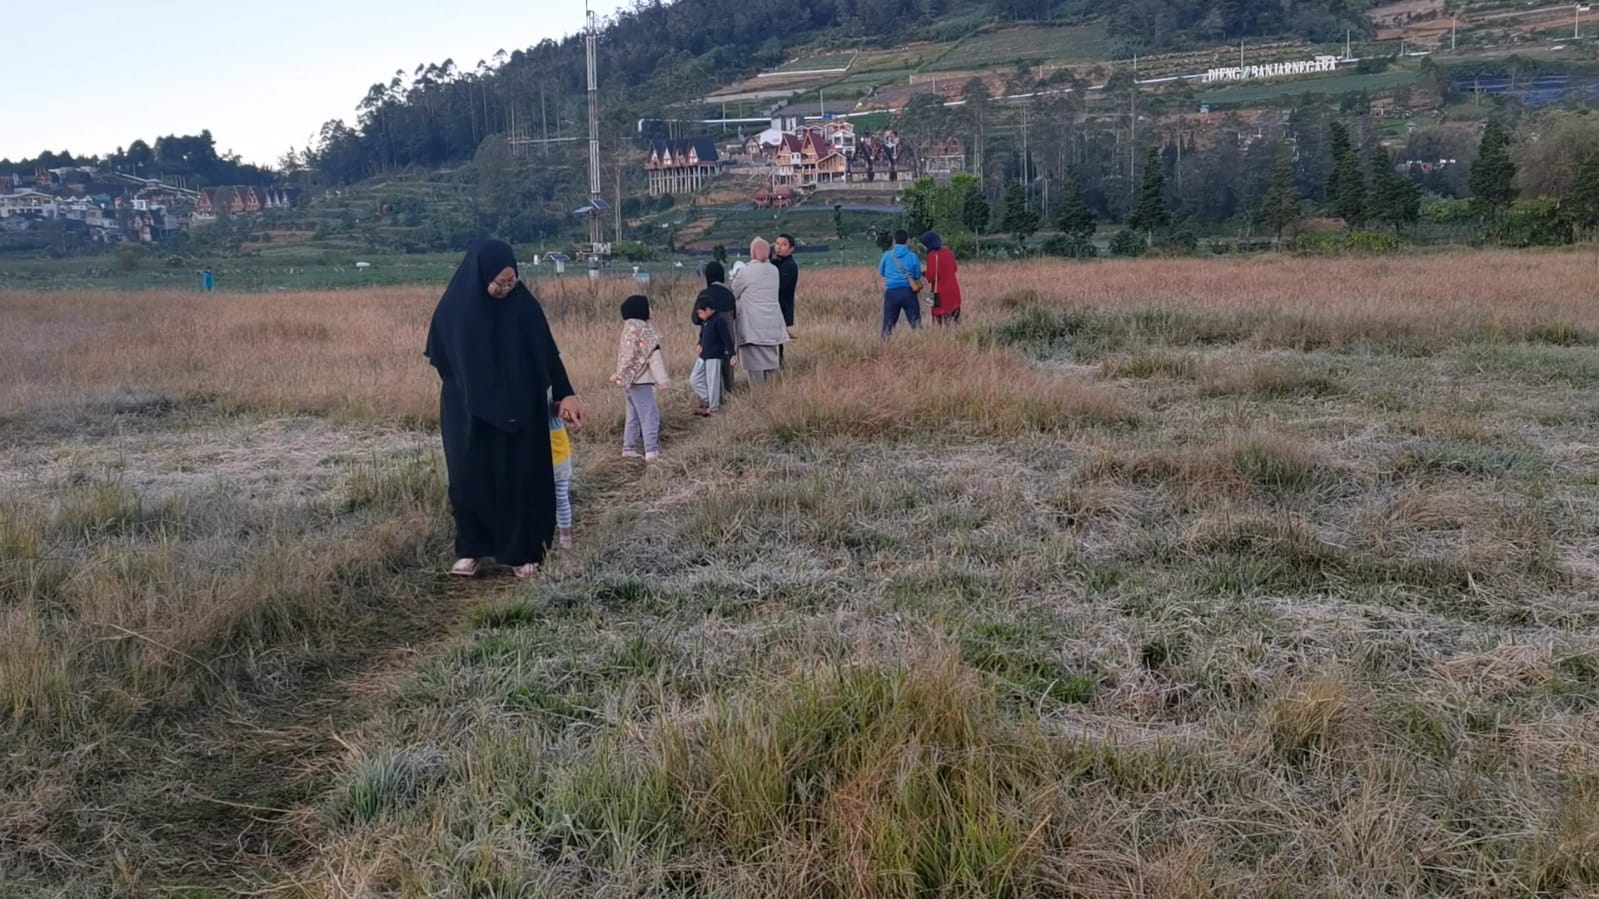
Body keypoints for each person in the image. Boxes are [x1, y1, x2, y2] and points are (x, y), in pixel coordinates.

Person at [424, 239, 582, 580]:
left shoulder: (524, 306)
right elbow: (442, 359)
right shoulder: (455, 309)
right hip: (467, 413)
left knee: (521, 478)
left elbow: (547, 354)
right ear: (481, 275)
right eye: (500, 282)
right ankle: (471, 548)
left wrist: (566, 394)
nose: (507, 287)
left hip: (521, 411)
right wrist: (475, 390)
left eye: (512, 280)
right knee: (468, 481)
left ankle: (524, 552)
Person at [611, 294, 668, 462]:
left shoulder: (627, 329)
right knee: (649, 414)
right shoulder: (646, 331)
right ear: (641, 310)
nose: (651, 309)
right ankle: (651, 450)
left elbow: (625, 356)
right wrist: (662, 379)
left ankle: (628, 447)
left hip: (629, 380)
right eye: (648, 306)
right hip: (643, 381)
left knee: (633, 415)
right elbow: (654, 357)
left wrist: (620, 373)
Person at [730, 237, 788, 384]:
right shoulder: (774, 271)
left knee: (754, 367)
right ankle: (773, 398)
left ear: (752, 252)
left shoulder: (746, 272)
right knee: (771, 365)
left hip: (752, 328)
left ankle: (759, 399)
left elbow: (733, 293)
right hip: (772, 327)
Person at [691, 278, 737, 416]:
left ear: (709, 310)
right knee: (694, 379)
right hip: (703, 355)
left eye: (700, 313)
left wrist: (732, 354)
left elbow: (727, 339)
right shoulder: (706, 322)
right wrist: (699, 343)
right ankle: (711, 400)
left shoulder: (719, 321)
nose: (699, 316)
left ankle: (714, 407)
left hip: (715, 356)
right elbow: (702, 335)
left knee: (713, 381)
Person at [878, 229, 923, 336]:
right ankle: (921, 344)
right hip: (908, 292)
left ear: (894, 241)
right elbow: (917, 275)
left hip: (892, 292)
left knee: (888, 324)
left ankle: (885, 346)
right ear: (907, 241)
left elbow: (881, 272)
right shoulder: (912, 256)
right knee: (915, 323)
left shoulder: (887, 255)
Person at [549, 392, 574, 549]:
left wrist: (563, 408)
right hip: (527, 447)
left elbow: (562, 404)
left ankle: (565, 534)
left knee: (560, 496)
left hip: (555, 447)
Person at [920, 230, 962, 325]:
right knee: (955, 323)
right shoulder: (948, 251)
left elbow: (930, 277)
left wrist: (922, 274)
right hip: (954, 291)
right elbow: (954, 268)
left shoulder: (932, 255)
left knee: (938, 323)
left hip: (939, 293)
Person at [773, 233, 800, 345]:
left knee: (777, 342)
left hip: (782, 308)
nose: (779, 247)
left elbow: (780, 288)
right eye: (777, 244)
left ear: (791, 249)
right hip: (777, 307)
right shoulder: (777, 262)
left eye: (784, 245)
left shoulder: (789, 266)